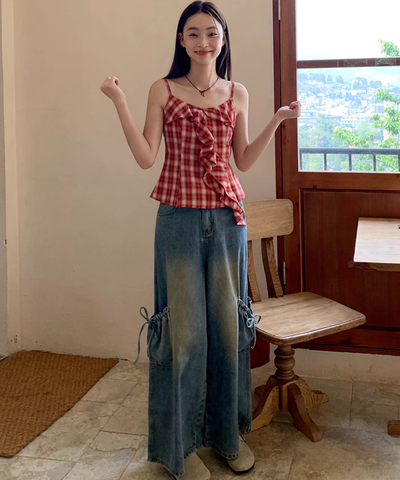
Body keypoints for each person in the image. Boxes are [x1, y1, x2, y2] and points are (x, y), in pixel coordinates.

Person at [100, 2, 300, 479]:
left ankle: (228, 437)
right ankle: (182, 447)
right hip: (179, 221)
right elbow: (146, 157)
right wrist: (119, 101)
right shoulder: (164, 89)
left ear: (223, 39)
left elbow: (242, 161)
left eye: (211, 33)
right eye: (193, 33)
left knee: (229, 331)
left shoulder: (237, 92)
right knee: (185, 335)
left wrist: (276, 120)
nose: (203, 42)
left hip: (229, 221)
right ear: (181, 40)